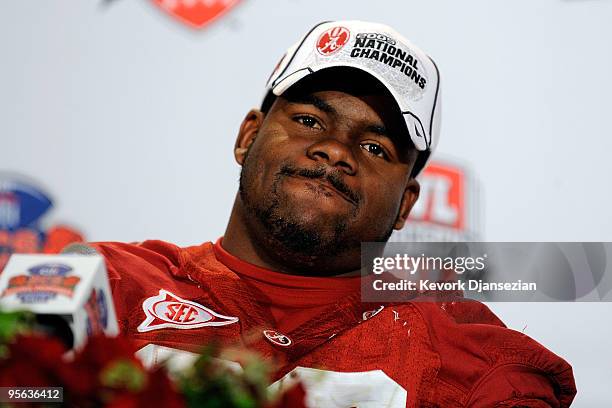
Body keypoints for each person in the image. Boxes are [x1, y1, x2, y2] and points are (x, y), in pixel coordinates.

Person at [92, 21, 576, 407]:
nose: (334, 151)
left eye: (374, 146)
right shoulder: (110, 286)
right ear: (247, 137)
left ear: (406, 203)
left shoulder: (471, 354)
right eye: (308, 121)